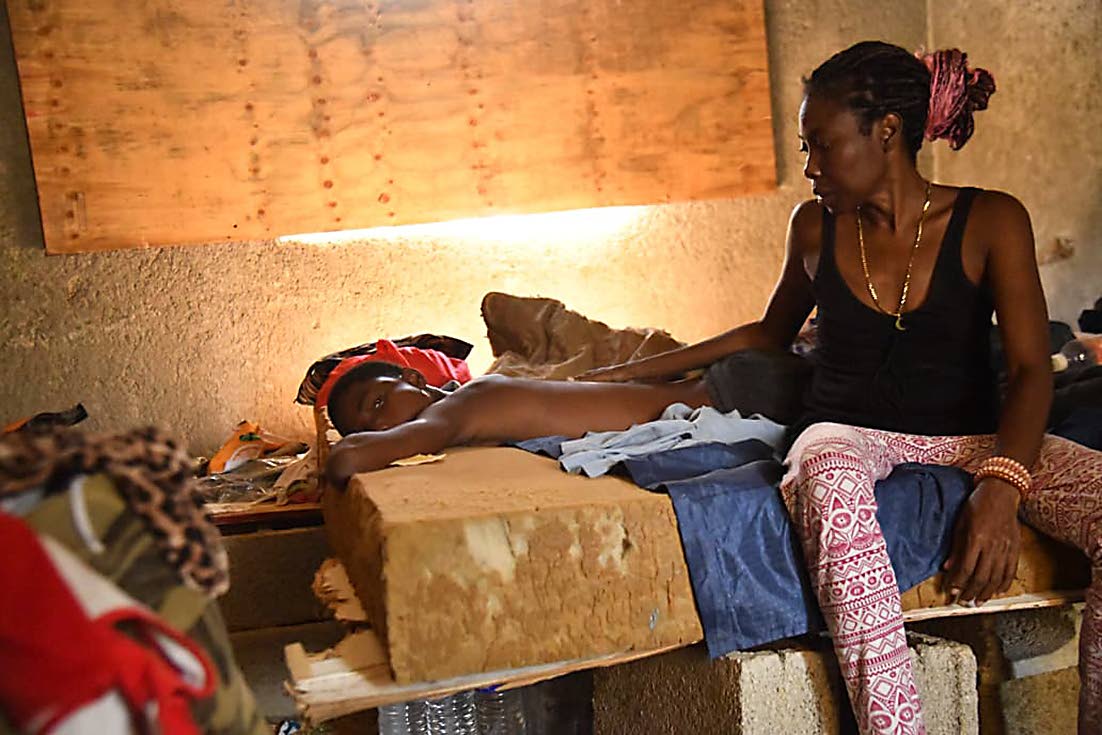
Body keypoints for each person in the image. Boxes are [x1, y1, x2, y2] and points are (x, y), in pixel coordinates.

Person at [578, 41, 1102, 735]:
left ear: (885, 132)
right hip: (850, 433)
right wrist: (633, 369)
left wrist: (1003, 483)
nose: (810, 167)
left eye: (821, 146)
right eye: (805, 148)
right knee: (822, 466)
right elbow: (767, 333)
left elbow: (1035, 368)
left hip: (972, 437)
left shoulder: (992, 220)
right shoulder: (814, 226)